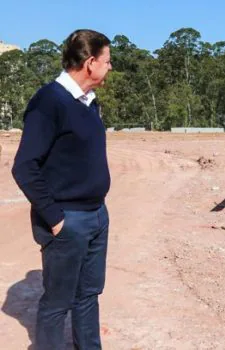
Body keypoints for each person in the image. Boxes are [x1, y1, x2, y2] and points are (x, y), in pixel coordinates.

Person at [11, 29, 112, 350]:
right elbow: (24, 166)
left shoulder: (88, 103)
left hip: (96, 216)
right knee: (58, 303)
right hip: (67, 221)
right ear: (90, 62)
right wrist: (55, 218)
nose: (110, 67)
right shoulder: (48, 102)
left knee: (88, 295)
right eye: (107, 61)